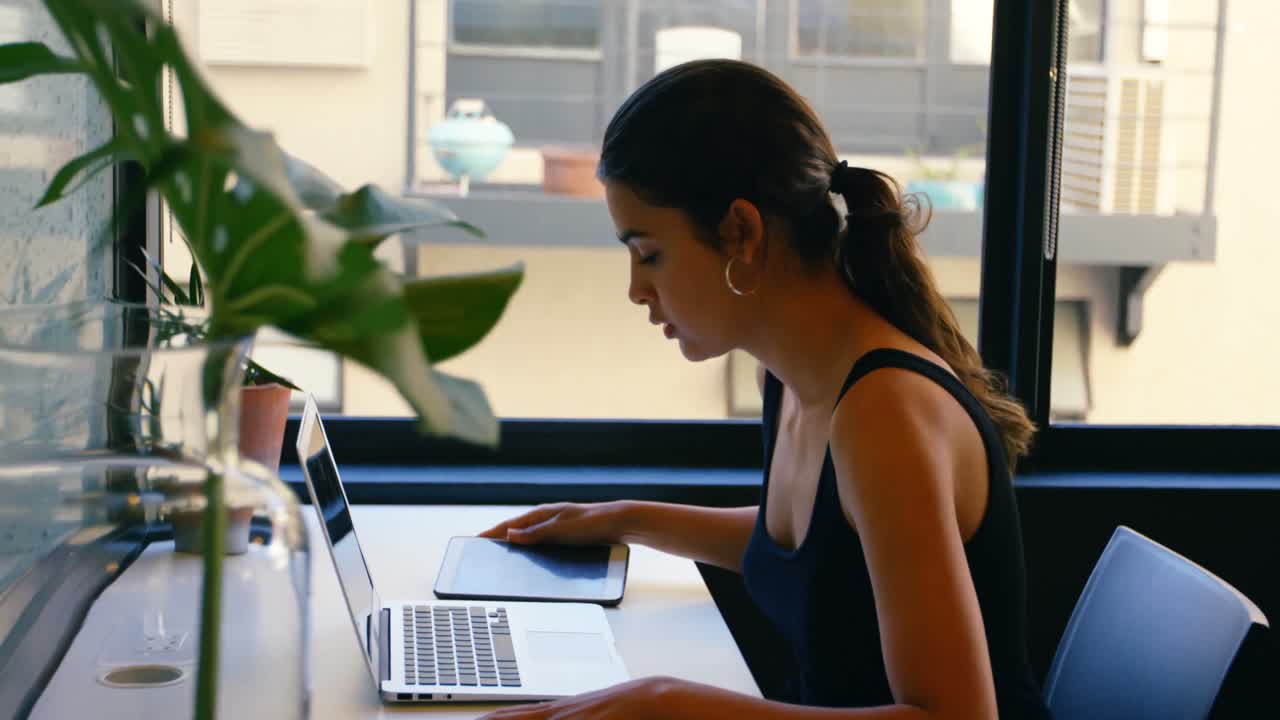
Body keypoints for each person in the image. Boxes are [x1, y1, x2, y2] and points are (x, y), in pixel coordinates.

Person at [477, 59, 1051, 720]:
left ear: (742, 235)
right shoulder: (791, 379)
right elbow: (810, 551)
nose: (637, 289)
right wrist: (623, 519)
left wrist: (669, 705)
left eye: (649, 253)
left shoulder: (884, 413)